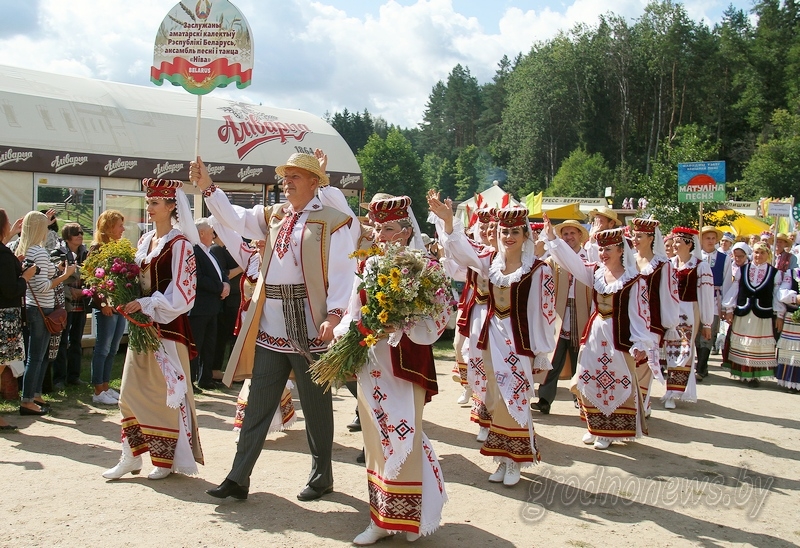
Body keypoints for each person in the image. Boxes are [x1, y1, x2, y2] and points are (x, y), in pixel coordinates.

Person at [192, 152, 355, 502]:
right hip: (271, 323)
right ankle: (238, 477)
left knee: (316, 406)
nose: (287, 181)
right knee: (258, 404)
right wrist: (208, 187)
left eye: (295, 176)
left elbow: (344, 271)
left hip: (310, 323)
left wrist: (334, 315)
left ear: (314, 182)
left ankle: (322, 476)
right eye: (285, 176)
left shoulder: (332, 220)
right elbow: (235, 219)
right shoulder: (276, 214)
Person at [340, 195, 450, 545]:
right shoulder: (368, 264)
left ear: (405, 231)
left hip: (406, 365)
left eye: (387, 229)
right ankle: (381, 520)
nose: (380, 235)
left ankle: (411, 517)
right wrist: (347, 335)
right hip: (371, 363)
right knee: (375, 440)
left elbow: (439, 317)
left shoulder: (425, 268)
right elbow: (353, 309)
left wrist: (403, 324)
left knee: (405, 434)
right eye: (377, 228)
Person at [430, 194, 555, 480]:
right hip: (490, 340)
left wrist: (540, 351)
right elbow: (462, 250)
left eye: (514, 232)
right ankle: (501, 457)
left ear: (526, 235)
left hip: (519, 343)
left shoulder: (538, 270)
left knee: (515, 397)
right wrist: (448, 222)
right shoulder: (489, 261)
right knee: (494, 397)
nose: (508, 237)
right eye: (504, 231)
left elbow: (543, 313)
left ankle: (516, 461)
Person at [102, 178, 202, 480]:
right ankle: (131, 455)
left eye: (155, 202)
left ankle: (165, 458)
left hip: (168, 328)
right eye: (148, 202)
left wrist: (147, 303)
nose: (149, 207)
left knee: (165, 394)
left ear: (171, 206)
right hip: (141, 326)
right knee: (129, 392)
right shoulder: (145, 241)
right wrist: (118, 291)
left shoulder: (180, 244)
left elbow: (184, 293)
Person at [543, 216, 656, 450]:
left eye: (608, 249)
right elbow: (571, 263)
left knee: (614, 381)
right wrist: (553, 239)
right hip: (595, 334)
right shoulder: (595, 272)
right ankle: (594, 425)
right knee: (589, 378)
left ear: (621, 250)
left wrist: (640, 342)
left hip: (618, 336)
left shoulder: (634, 280)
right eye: (601, 249)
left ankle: (609, 431)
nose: (603, 254)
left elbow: (640, 313)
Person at [16, 211, 76, 415]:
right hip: (42, 307)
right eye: (46, 227)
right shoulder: (39, 252)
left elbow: (37, 278)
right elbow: (42, 286)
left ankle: (34, 394)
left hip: (33, 307)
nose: (48, 230)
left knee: (38, 356)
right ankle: (27, 399)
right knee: (37, 357)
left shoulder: (25, 249)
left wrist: (55, 269)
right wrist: (65, 275)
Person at [533, 220, 591, 415]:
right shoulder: (554, 259)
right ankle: (544, 399)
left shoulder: (589, 258)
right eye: (565, 234)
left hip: (582, 312)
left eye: (572, 233)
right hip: (559, 312)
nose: (569, 237)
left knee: (580, 357)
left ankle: (580, 399)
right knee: (553, 356)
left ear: (580, 236)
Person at [630, 218, 679, 414]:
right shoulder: (628, 260)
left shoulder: (663, 265)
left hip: (652, 322)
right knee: (630, 362)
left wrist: (669, 324)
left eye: (639, 236)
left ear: (651, 238)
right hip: (629, 320)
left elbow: (668, 295)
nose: (635, 239)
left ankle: (641, 406)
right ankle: (631, 404)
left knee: (645, 363)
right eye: (634, 235)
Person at [722, 242, 784, 386]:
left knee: (757, 345)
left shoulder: (774, 273)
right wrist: (729, 309)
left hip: (762, 314)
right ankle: (742, 373)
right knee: (743, 342)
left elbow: (776, 296)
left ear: (768, 255)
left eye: (762, 252)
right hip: (743, 312)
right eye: (756, 252)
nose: (758, 255)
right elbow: (735, 290)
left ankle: (755, 376)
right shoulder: (742, 270)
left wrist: (779, 314)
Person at [666, 227, 714, 408]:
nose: (674, 245)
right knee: (669, 351)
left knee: (684, 351)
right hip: (670, 313)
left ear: (689, 244)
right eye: (674, 241)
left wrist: (707, 323)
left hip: (689, 311)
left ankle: (676, 391)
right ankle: (670, 391)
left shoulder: (700, 266)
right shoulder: (669, 264)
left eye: (678, 242)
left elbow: (706, 296)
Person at [87, 211, 128, 405]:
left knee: (113, 348)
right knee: (103, 348)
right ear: (109, 227)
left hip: (118, 305)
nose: (123, 229)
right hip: (105, 306)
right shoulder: (96, 248)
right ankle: (97, 390)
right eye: (119, 225)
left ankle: (105, 385)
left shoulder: (118, 247)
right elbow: (92, 279)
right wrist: (103, 303)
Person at [0, 209, 35, 430]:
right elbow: (10, 289)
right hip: (5, 317)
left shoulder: (5, 253)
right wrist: (24, 277)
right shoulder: (3, 255)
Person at [189, 218, 230, 392]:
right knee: (196, 344)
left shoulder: (210, 252)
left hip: (213, 306)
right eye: (211, 232)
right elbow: (198, 278)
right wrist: (220, 287)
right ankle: (190, 381)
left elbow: (221, 273)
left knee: (209, 344)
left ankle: (205, 378)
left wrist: (226, 284)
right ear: (201, 233)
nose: (214, 235)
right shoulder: (194, 251)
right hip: (200, 307)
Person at [52, 223, 88, 390]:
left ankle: (74, 376)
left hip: (81, 304)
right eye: (75, 233)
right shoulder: (58, 253)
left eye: (81, 232)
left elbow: (91, 276)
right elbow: (55, 279)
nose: (80, 235)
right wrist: (69, 291)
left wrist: (83, 291)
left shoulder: (85, 254)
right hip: (65, 304)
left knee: (76, 341)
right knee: (61, 342)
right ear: (67, 237)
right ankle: (59, 378)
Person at [209, 230, 243, 382]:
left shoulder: (231, 249)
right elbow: (224, 274)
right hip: (226, 301)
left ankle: (234, 370)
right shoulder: (216, 249)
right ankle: (216, 370)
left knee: (234, 337)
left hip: (237, 298)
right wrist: (242, 267)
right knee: (222, 336)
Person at [698, 226, 731, 366]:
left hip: (714, 299)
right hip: (697, 298)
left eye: (713, 238)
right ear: (701, 239)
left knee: (709, 331)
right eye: (707, 238)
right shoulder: (696, 257)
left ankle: (702, 366)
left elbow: (727, 282)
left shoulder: (724, 259)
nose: (710, 241)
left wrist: (725, 307)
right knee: (697, 331)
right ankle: (700, 363)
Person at [776, 266, 800, 390]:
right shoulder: (793, 273)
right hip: (793, 320)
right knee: (792, 352)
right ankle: (791, 382)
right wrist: (796, 298)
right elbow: (781, 294)